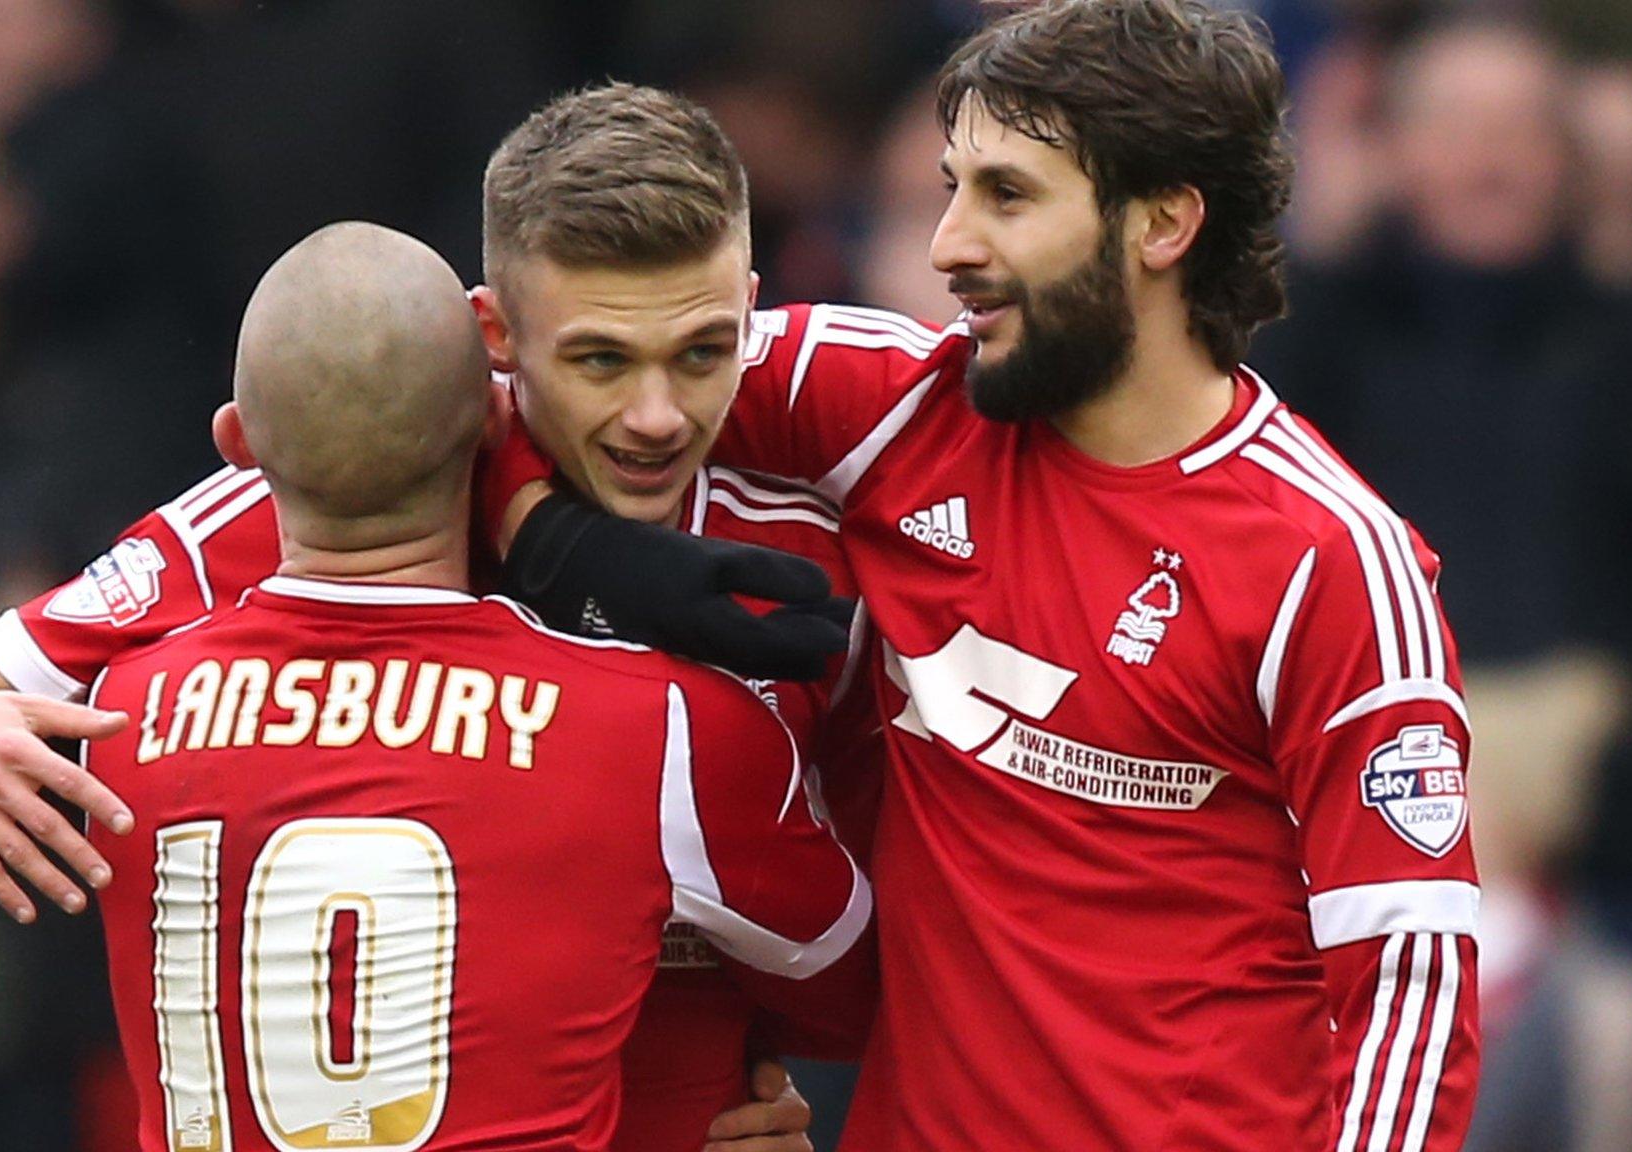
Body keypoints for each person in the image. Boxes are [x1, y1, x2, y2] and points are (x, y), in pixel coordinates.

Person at [485, 1, 1482, 1147]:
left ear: (1160, 223)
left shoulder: (1327, 560)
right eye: (951, 187)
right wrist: (562, 545)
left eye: (1004, 196)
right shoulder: (900, 406)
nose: (947, 243)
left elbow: (1408, 979)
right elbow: (469, 379)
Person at [0, 85, 860, 1151]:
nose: (656, 414)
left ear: (747, 314)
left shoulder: (811, 526)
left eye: (701, 353)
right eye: (598, 359)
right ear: (495, 340)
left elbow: (877, 956)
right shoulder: (298, 494)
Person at [77, 220, 874, 1151]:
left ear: (236, 444)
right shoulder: (659, 723)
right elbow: (846, 998)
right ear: (500, 426)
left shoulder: (117, 711)